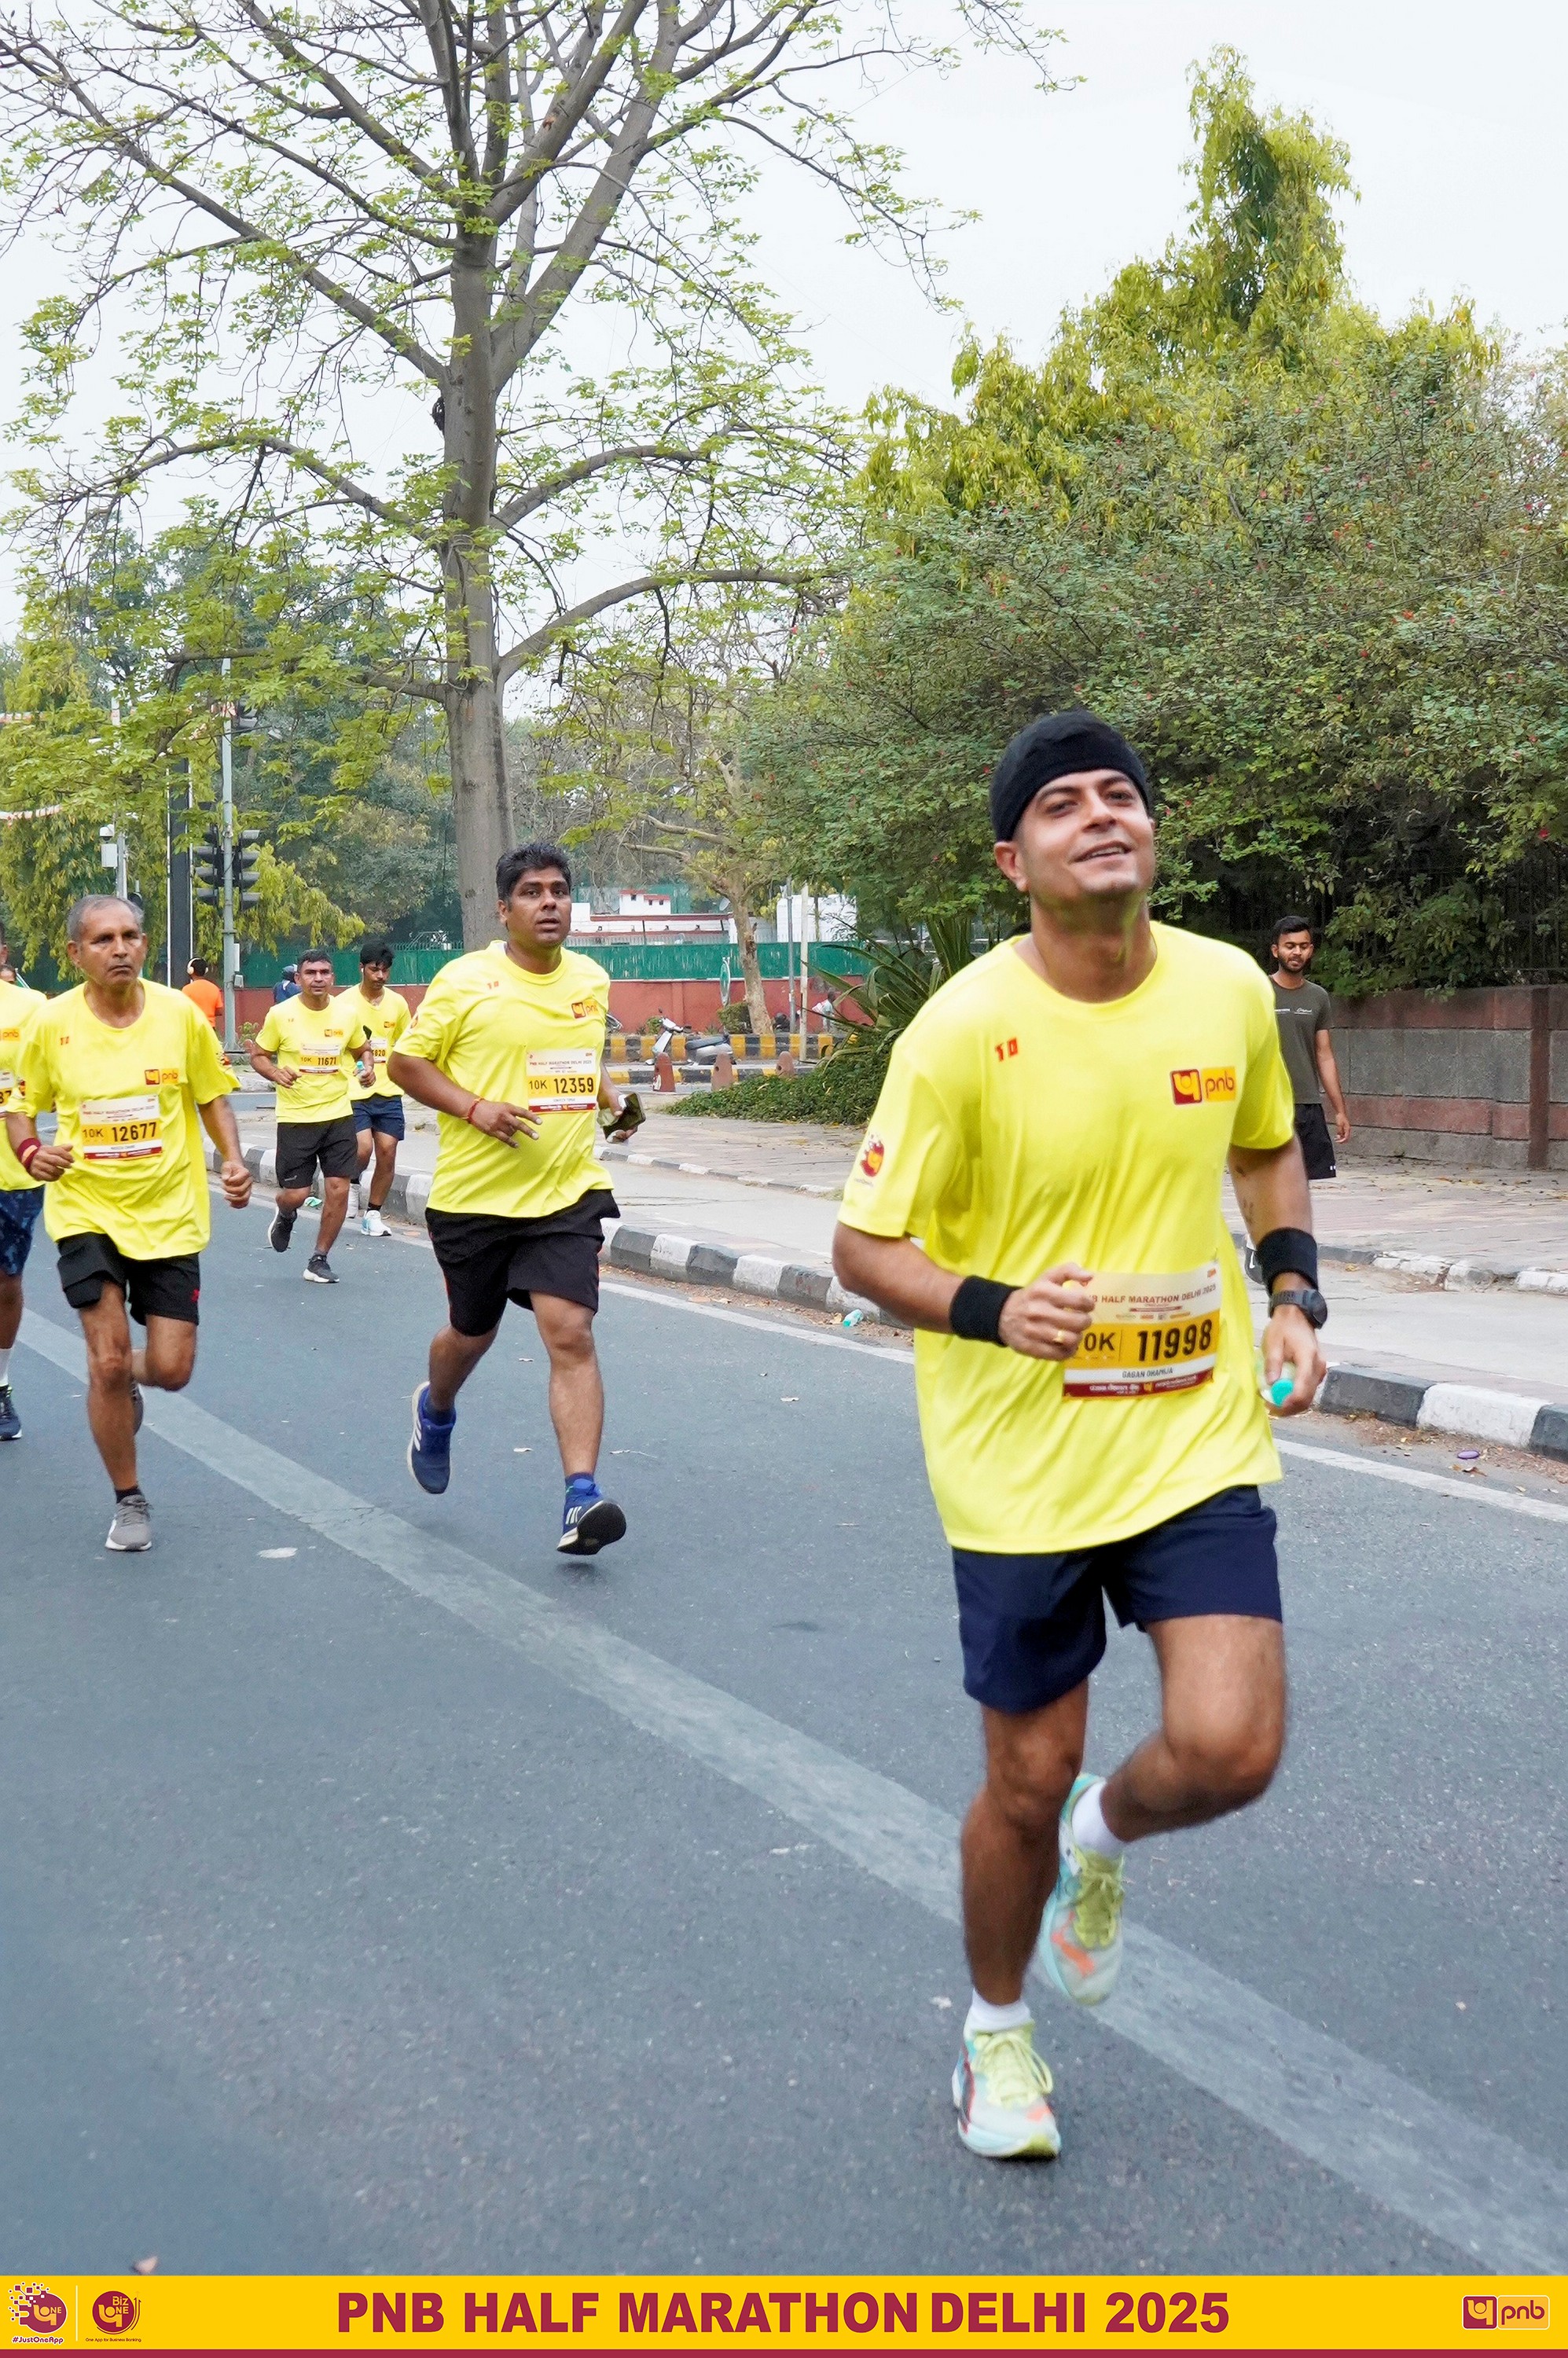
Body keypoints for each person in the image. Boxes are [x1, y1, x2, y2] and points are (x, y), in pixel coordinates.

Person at [832, 711, 1328, 2163]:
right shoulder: (959, 1032)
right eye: (1062, 805)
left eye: (1122, 795)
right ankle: (995, 2033)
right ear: (1013, 862)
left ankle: (1103, 1841)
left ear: (1151, 834)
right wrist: (994, 1309)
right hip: (1018, 1465)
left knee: (1230, 1749)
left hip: (1191, 1436)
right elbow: (862, 1248)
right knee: (1022, 1781)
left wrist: (1292, 1294)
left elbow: (1262, 1145)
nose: (1102, 814)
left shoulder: (1226, 987)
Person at [388, 842, 641, 1555]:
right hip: (475, 1199)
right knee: (471, 1334)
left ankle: (580, 1497)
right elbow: (405, 1064)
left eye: (558, 890)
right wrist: (475, 1108)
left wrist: (614, 1101)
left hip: (566, 1193)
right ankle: (436, 1409)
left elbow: (577, 1060)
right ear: (504, 909)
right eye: (531, 892)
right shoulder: (465, 980)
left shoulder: (590, 979)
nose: (549, 902)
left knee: (571, 1332)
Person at [6, 894, 252, 1549]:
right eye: (104, 939)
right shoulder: (50, 1024)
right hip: (86, 1209)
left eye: (131, 936)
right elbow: (19, 1107)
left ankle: (122, 1380)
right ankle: (129, 1497)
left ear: (144, 943)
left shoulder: (180, 1015)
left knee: (171, 1369)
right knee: (107, 1360)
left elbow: (212, 1096)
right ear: (75, 953)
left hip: (169, 1212)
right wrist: (31, 1152)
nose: (120, 949)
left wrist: (232, 1161)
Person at [248, 950, 374, 1284]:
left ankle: (319, 1258)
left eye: (324, 972)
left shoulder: (347, 1014)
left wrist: (368, 1069)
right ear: (298, 978)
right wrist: (275, 1073)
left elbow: (362, 1049)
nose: (318, 978)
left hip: (338, 1113)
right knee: (298, 1194)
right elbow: (259, 1055)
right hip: (297, 1116)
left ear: (333, 977)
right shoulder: (280, 1015)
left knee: (338, 1188)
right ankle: (285, 1209)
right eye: (310, 973)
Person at [0, 962, 48, 1439]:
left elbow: (56, 1084)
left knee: (5, 1281)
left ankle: (0, 1383)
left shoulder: (34, 1009)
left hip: (13, 1173)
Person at [339, 938, 412, 1237]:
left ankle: (373, 1213)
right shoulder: (343, 1003)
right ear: (362, 968)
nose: (380, 976)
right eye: (374, 969)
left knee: (387, 1151)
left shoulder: (398, 1004)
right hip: (354, 1088)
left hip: (389, 1089)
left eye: (385, 970)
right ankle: (352, 1181)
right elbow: (339, 1047)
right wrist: (360, 1070)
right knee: (363, 1148)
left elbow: (406, 1044)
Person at [1269, 914, 1350, 1181]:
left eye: (1303, 946)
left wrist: (1339, 1110)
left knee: (1312, 1184)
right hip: (1270, 1104)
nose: (1297, 952)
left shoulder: (1318, 997)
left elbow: (1324, 1055)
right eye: (1290, 946)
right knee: (1273, 1183)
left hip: (1308, 1106)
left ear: (1311, 950)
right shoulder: (1258, 990)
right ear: (1276, 950)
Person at [182, 956, 225, 1030]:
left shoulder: (187, 989)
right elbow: (220, 1011)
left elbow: (183, 1010)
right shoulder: (214, 988)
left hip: (193, 1027)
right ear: (206, 971)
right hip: (210, 1028)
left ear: (191, 971)